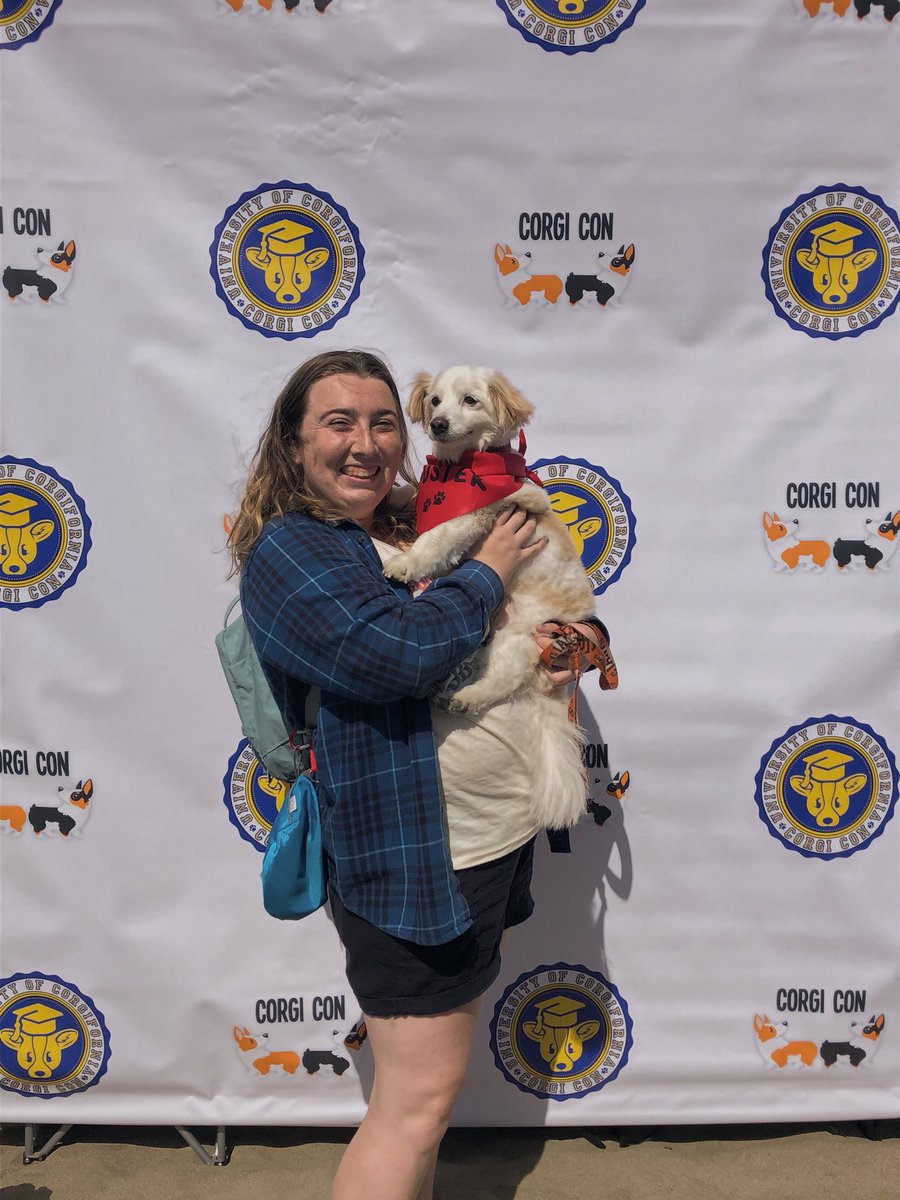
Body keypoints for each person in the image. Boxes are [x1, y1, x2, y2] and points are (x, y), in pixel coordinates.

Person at [231, 349, 604, 1200]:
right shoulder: (293, 553)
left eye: (381, 422)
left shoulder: (412, 519)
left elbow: (579, 625)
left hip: (494, 831)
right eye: (337, 423)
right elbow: (395, 655)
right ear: (293, 446)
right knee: (417, 1099)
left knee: (427, 1101)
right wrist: (488, 573)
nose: (364, 442)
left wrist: (571, 643)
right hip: (412, 859)